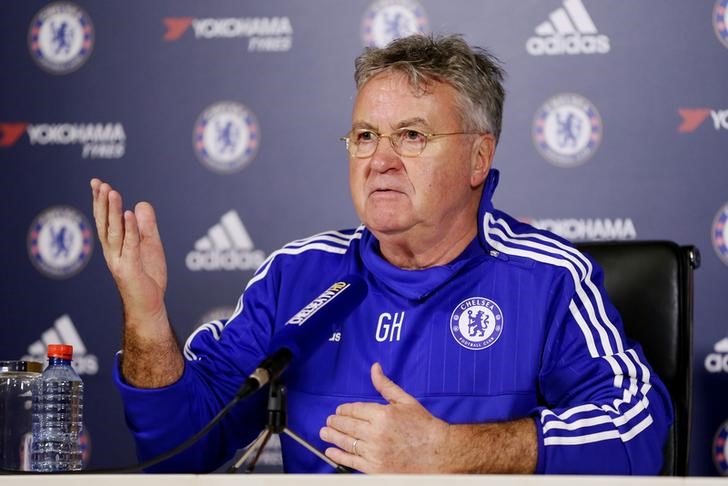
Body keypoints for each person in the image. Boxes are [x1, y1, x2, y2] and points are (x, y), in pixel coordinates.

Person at [90, 34, 671, 474]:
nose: (380, 159)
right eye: (365, 136)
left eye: (412, 136)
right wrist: (146, 317)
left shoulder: (545, 279)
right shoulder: (299, 275)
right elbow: (179, 450)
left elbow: (638, 431)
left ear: (478, 158)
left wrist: (452, 452)